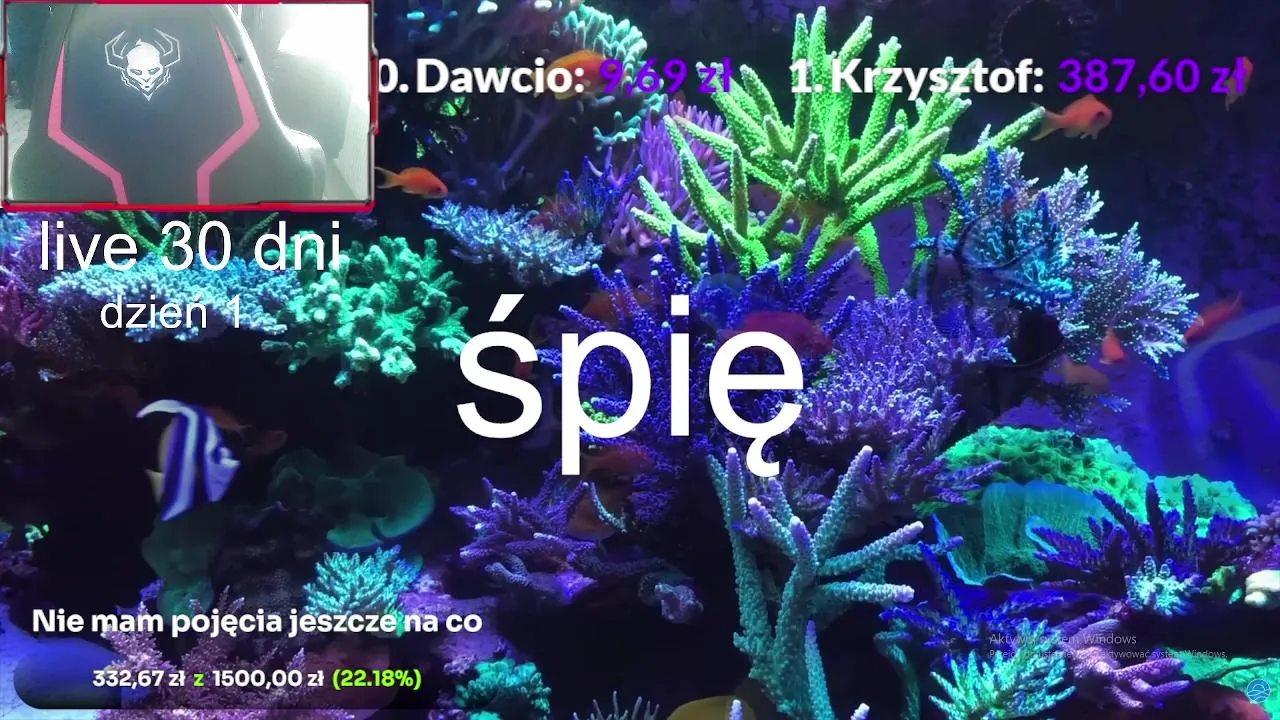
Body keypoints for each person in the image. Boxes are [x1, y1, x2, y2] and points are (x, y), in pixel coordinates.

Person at [6, 3, 53, 109]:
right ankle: (43, 97)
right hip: (41, 29)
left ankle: (29, 99)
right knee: (41, 63)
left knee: (24, 66)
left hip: (22, 32)